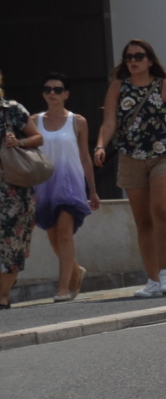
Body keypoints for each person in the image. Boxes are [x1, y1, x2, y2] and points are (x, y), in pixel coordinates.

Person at [94, 39, 166, 298]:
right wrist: (100, 145)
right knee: (143, 220)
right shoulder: (118, 88)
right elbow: (109, 123)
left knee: (162, 210)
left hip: (165, 154)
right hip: (131, 156)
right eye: (128, 56)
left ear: (150, 60)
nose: (133, 60)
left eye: (139, 56)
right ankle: (152, 279)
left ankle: (165, 274)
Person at [33, 73, 99, 301]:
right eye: (47, 89)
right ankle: (75, 270)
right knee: (53, 236)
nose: (52, 93)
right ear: (43, 93)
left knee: (64, 234)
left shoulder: (77, 121)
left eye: (58, 89)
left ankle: (63, 287)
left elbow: (85, 157)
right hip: (44, 185)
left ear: (66, 94)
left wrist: (92, 188)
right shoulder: (34, 121)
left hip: (70, 182)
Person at [0, 70, 43, 309]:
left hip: (12, 190)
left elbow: (38, 138)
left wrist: (19, 142)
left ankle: (3, 295)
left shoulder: (12, 110)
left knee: (11, 244)